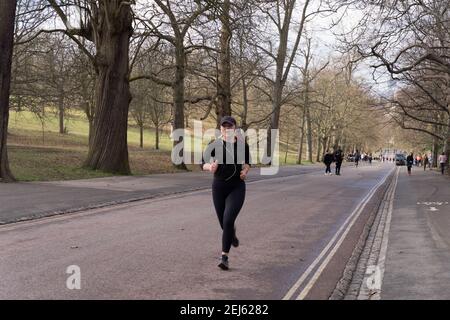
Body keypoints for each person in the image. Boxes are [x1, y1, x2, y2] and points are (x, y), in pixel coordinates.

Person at [201, 116, 251, 270]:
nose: (226, 130)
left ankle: (224, 258)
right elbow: (202, 163)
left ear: (234, 129)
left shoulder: (243, 145)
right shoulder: (214, 144)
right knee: (224, 222)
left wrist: (245, 171)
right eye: (224, 128)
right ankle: (232, 235)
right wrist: (210, 167)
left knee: (228, 220)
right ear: (220, 129)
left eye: (230, 127)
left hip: (237, 186)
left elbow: (248, 163)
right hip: (219, 187)